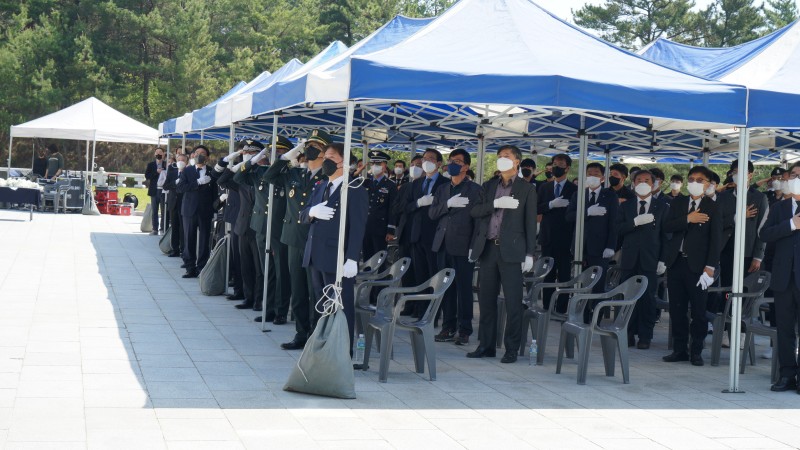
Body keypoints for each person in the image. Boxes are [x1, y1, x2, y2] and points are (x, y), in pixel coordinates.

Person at [467, 145, 537, 363]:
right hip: (488, 248)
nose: (501, 159)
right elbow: (475, 211)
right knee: (486, 300)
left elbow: (530, 222)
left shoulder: (527, 188)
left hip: (512, 251)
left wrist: (529, 253)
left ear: (517, 161)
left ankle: (511, 348)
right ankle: (486, 345)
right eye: (499, 156)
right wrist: (495, 204)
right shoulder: (489, 186)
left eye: (506, 156)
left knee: (513, 302)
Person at [263, 130, 330, 349]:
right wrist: (289, 154)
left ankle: (315, 334)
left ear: (325, 153)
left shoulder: (327, 178)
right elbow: (269, 176)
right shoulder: (295, 174)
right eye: (308, 146)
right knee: (298, 290)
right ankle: (301, 333)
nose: (310, 150)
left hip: (314, 240)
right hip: (292, 239)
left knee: (314, 291)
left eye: (315, 147)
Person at [301, 143, 368, 354]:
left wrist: (352, 258)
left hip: (337, 257)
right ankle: (324, 346)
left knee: (341, 306)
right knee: (322, 304)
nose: (326, 161)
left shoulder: (354, 189)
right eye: (325, 157)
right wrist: (312, 212)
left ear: (344, 162)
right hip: (315, 253)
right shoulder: (321, 186)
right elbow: (302, 215)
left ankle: (343, 352)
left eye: (331, 157)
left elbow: (357, 227)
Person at [661, 166, 723, 366]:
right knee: (677, 309)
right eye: (692, 179)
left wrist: (710, 267)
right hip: (676, 262)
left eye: (700, 180)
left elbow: (716, 240)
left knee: (698, 311)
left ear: (708, 184)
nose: (695, 183)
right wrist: (688, 219)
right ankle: (679, 349)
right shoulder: (678, 202)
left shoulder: (713, 206)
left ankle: (696, 350)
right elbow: (667, 226)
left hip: (698, 266)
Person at [234, 137, 292, 323]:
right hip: (260, 227)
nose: (275, 155)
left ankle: (281, 310)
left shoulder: (289, 173)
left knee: (280, 271)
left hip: (278, 228)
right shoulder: (259, 171)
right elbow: (238, 177)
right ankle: (269, 308)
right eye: (272, 151)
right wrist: (253, 160)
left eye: (280, 152)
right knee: (267, 270)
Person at [429, 148, 482, 346]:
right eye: (451, 160)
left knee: (463, 289)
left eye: (457, 161)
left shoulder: (475, 190)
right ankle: (448, 326)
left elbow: (478, 222)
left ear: (466, 166)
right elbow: (433, 213)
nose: (452, 164)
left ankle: (464, 329)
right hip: (442, 244)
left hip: (463, 245)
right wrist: (448, 204)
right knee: (446, 288)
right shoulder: (442, 189)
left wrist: (474, 247)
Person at [758, 162, 800, 393]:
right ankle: (787, 374)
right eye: (793, 175)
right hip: (783, 279)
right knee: (784, 329)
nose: (796, 179)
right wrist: (791, 225)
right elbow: (764, 234)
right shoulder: (779, 208)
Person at [617, 169, 669, 349]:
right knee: (628, 296)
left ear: (653, 184)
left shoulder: (662, 206)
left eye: (647, 180)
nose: (642, 183)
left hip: (651, 259)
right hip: (629, 258)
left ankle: (645, 336)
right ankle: (628, 332)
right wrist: (634, 223)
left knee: (648, 298)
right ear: (633, 183)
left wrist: (663, 260)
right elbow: (619, 230)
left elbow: (666, 235)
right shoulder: (626, 206)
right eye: (639, 180)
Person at [566, 162, 618, 323]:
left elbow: (614, 223)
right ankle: (579, 315)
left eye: (596, 174)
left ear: (602, 177)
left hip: (601, 247)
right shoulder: (579, 194)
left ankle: (594, 318)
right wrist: (586, 212)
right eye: (589, 173)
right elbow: (569, 216)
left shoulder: (610, 196)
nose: (592, 176)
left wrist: (611, 246)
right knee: (580, 282)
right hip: (580, 246)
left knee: (597, 284)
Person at [404, 148, 448, 317]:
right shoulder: (416, 183)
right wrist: (418, 203)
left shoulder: (444, 183)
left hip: (435, 236)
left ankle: (433, 314)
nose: (426, 161)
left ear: (439, 163)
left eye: (430, 158)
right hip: (417, 235)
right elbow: (406, 207)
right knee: (419, 275)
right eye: (424, 158)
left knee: (434, 275)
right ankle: (420, 310)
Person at [538, 153, 576, 312]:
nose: (556, 167)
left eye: (560, 165)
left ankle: (561, 308)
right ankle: (547, 307)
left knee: (564, 276)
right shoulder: (544, 187)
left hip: (566, 238)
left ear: (567, 168)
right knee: (548, 274)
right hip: (547, 238)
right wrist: (551, 204)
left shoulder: (574, 189)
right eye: (554, 164)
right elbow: (537, 207)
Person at [176, 145, 218, 278]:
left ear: (207, 157)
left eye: (202, 153)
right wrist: (198, 182)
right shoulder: (187, 170)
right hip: (189, 210)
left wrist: (215, 209)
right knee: (189, 240)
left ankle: (202, 267)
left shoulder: (211, 171)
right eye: (197, 153)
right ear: (193, 155)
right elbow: (180, 188)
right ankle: (190, 267)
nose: (199, 155)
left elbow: (215, 193)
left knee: (204, 241)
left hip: (205, 211)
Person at [362, 150, 398, 259]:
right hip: (365, 227)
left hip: (380, 229)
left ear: (384, 165)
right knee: (366, 258)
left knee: (379, 259)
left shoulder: (390, 185)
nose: (375, 166)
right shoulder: (365, 182)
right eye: (373, 163)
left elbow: (393, 209)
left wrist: (391, 230)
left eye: (378, 163)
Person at [163, 153, 186, 258]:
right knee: (174, 226)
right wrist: (175, 182)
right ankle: (175, 249)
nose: (181, 161)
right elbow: (165, 186)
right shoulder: (171, 172)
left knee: (183, 227)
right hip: (173, 203)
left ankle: (183, 249)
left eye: (183, 160)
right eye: (179, 159)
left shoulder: (189, 172)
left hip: (184, 203)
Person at [144, 147, 167, 235]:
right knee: (154, 210)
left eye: (160, 152)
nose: (158, 154)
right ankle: (155, 229)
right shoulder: (151, 164)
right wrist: (156, 172)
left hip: (163, 190)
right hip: (154, 190)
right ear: (154, 154)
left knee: (163, 210)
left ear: (163, 154)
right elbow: (147, 176)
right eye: (157, 152)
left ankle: (163, 228)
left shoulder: (166, 164)